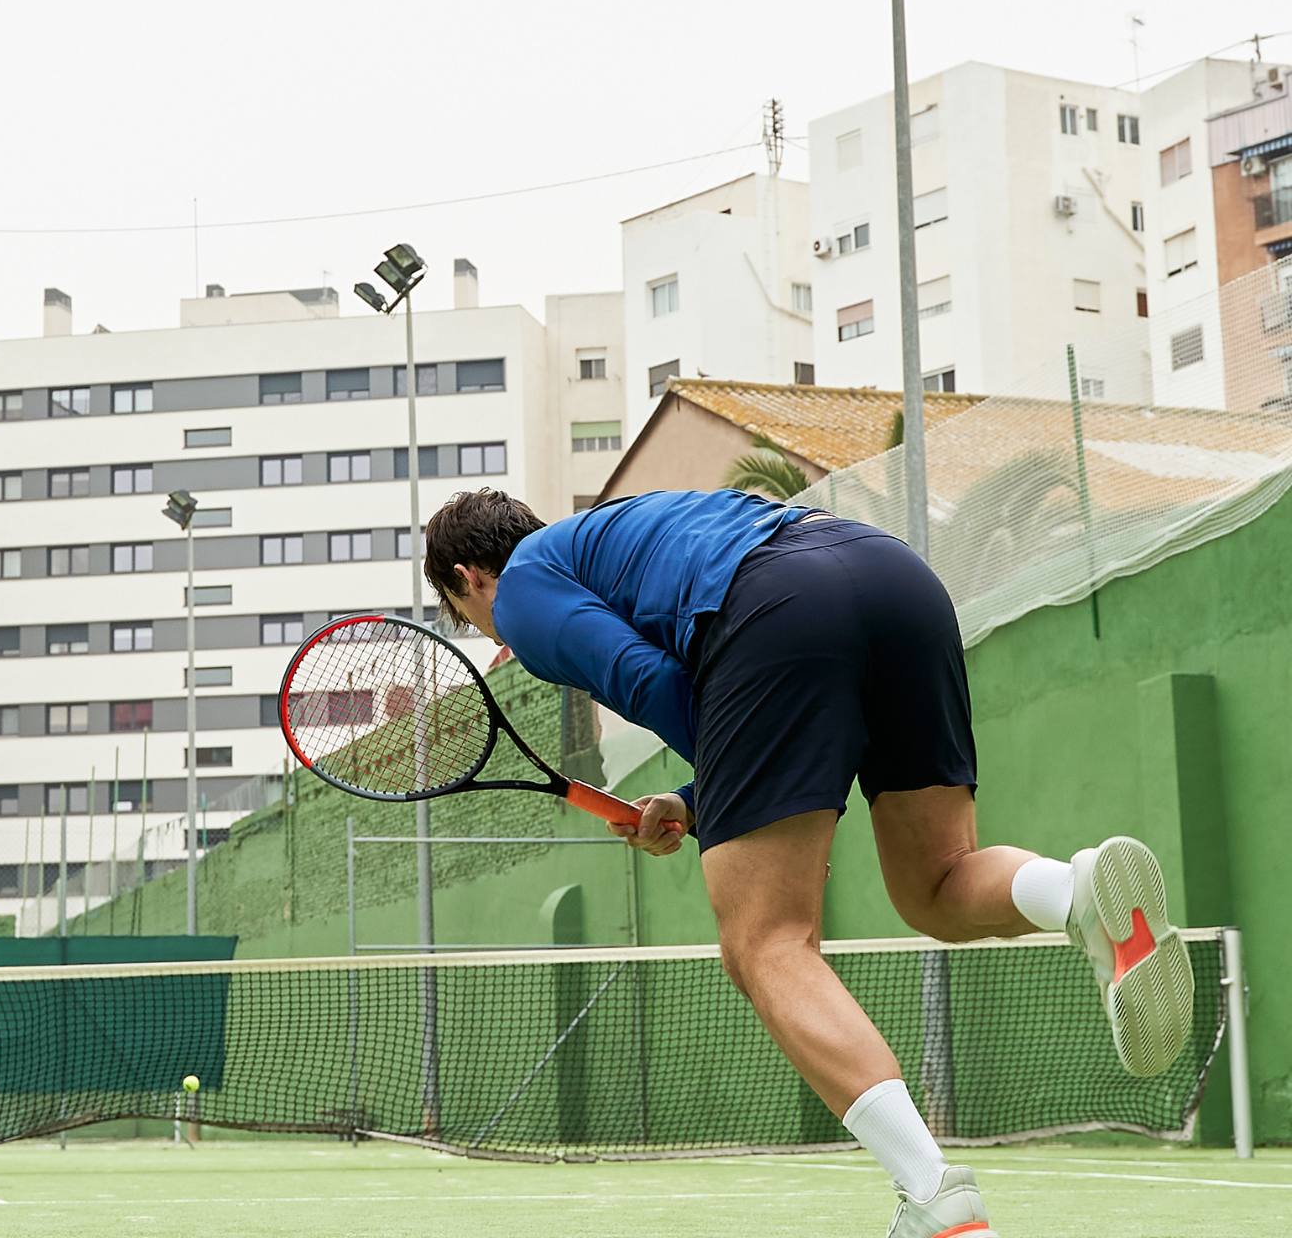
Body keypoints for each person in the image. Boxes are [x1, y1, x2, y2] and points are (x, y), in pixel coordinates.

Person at [423, 487, 1193, 1238]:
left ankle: (934, 1196)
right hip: (896, 579)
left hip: (777, 605)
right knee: (937, 884)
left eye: (472, 620)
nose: (497, 638)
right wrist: (702, 798)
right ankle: (1075, 892)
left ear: (468, 579)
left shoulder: (522, 589)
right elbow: (737, 702)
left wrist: (742, 797)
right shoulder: (617, 535)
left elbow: (652, 680)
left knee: (766, 944)